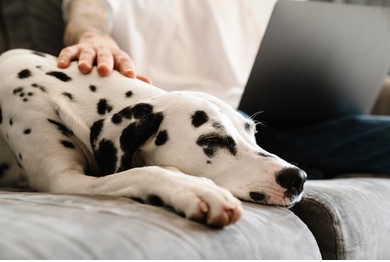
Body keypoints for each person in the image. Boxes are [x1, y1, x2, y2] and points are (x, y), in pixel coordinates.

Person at [58, 0, 390, 179]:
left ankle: (310, 164)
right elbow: (87, 12)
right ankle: (310, 164)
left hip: (270, 118)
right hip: (200, 129)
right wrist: (92, 36)